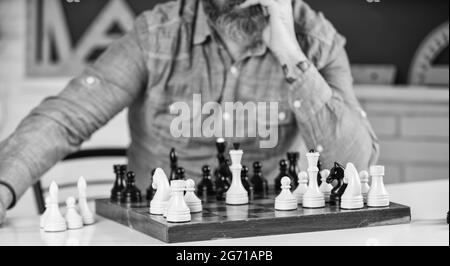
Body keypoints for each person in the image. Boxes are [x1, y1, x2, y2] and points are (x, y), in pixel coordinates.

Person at [0, 0, 379, 224]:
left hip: (264, 234)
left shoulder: (316, 41)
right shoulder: (157, 35)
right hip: (157, 228)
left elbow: (356, 166)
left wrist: (292, 56)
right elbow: (66, 116)